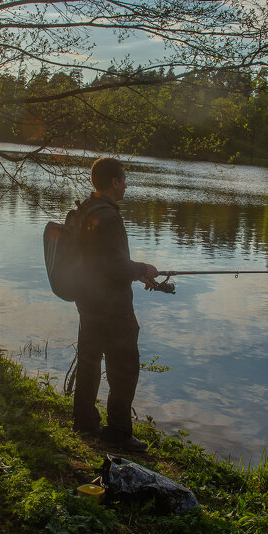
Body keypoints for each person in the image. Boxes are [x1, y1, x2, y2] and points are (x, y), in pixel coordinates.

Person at [72, 157, 159, 452]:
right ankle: (119, 433)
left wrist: (137, 271)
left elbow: (100, 261)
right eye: (123, 179)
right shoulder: (109, 217)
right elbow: (115, 266)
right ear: (113, 182)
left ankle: (84, 422)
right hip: (113, 307)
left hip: (88, 300)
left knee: (89, 362)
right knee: (124, 368)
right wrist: (142, 269)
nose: (126, 184)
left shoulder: (88, 209)